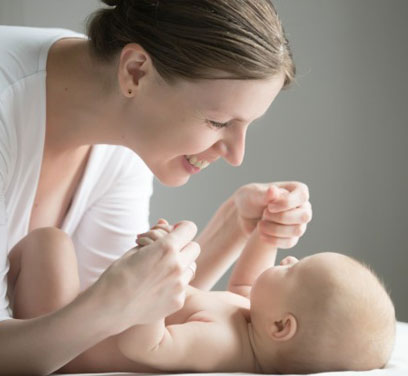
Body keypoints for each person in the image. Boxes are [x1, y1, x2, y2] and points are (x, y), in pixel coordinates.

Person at [0, 0, 313, 374]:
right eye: (218, 122)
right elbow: (103, 316)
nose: (236, 155)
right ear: (135, 72)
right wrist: (112, 303)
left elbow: (122, 313)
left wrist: (236, 224)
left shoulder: (125, 132)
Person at [117, 218, 396, 374]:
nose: (289, 260)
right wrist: (268, 234)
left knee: (68, 245)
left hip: (83, 343)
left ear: (280, 326)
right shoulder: (254, 321)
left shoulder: (221, 343)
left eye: (293, 270)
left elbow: (145, 348)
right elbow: (245, 286)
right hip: (100, 306)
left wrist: (153, 280)